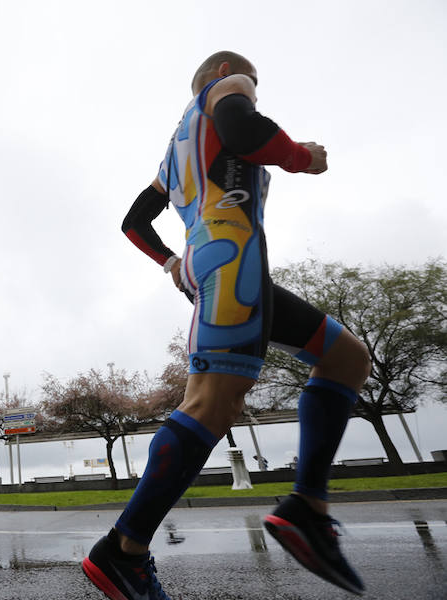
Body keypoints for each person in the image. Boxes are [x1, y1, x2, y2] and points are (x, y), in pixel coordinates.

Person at [82, 51, 371, 599]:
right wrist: (301, 156)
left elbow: (134, 221)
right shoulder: (226, 88)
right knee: (211, 405)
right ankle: (124, 549)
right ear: (222, 78)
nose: (252, 92)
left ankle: (308, 504)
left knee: (347, 357)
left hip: (217, 260)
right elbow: (244, 130)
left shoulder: (174, 153)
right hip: (232, 258)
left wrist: (171, 262)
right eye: (252, 85)